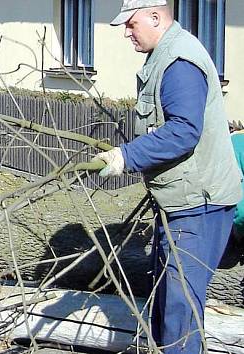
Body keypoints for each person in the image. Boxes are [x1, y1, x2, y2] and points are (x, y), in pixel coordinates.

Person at [98, 1, 242, 353]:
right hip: (182, 200)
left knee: (181, 315)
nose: (127, 34)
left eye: (131, 25)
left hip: (199, 205)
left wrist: (126, 156)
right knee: (166, 303)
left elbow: (183, 131)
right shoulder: (163, 55)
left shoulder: (179, 63)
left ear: (155, 16)